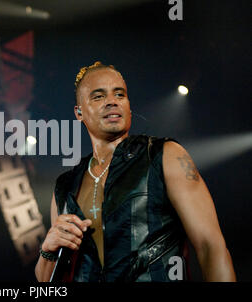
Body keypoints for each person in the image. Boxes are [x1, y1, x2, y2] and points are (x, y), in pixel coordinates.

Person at [34, 61, 236, 282]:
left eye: (119, 94)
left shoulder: (164, 156)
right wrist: (47, 251)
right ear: (79, 112)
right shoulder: (65, 186)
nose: (112, 101)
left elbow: (211, 248)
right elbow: (49, 282)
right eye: (99, 96)